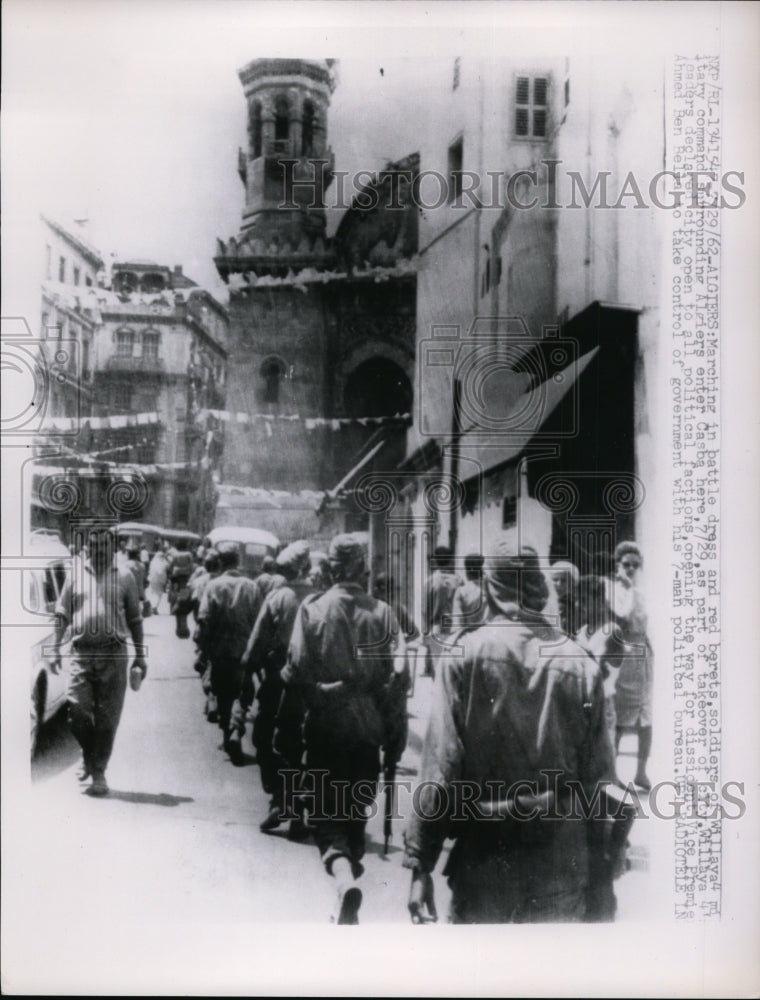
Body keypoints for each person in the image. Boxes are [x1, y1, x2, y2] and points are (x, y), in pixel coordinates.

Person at [403, 543, 615, 924]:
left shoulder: (464, 655)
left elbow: (441, 765)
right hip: (560, 863)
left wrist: (421, 864)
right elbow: (599, 779)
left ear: (489, 589)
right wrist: (602, 869)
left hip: (487, 856)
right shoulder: (580, 663)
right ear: (538, 586)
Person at [281, 534, 406, 924]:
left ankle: (342, 880)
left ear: (330, 568)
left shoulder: (313, 608)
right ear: (363, 568)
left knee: (325, 816)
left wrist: (290, 728)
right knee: (355, 816)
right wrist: (395, 740)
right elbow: (397, 684)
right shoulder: (384, 614)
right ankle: (345, 880)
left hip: (325, 727)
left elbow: (296, 673)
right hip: (368, 732)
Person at [51, 528, 147, 797]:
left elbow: (136, 620)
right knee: (76, 712)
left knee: (107, 719)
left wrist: (140, 656)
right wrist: (56, 647)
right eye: (93, 547)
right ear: (88, 547)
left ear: (112, 548)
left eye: (103, 547)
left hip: (114, 655)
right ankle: (89, 754)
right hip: (81, 653)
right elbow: (62, 613)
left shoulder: (125, 576)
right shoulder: (75, 574)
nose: (98, 552)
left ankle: (99, 772)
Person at [239, 540, 314, 829]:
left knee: (265, 739)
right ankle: (295, 806)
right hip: (311, 685)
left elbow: (257, 641)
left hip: (277, 680)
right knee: (303, 745)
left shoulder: (279, 597)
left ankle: (282, 801)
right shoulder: (319, 598)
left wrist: (248, 672)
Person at [195, 545, 259, 759]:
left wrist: (203, 649)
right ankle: (236, 732)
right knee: (242, 693)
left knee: (222, 693)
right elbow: (260, 621)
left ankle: (226, 735)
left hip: (219, 650)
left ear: (220, 562)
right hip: (244, 650)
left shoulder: (213, 586)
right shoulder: (251, 586)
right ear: (238, 561)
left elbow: (204, 620)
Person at [611, 541, 653, 790]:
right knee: (619, 716)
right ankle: (612, 772)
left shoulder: (643, 591)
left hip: (643, 658)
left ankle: (641, 772)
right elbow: (622, 617)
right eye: (626, 564)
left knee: (645, 718)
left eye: (636, 565)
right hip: (623, 654)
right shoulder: (613, 591)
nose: (631, 569)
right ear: (618, 565)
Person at [422, 545, 461, 678]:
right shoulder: (458, 581)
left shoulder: (429, 582)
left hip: (437, 627)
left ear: (436, 561)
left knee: (438, 670)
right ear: (451, 560)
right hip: (455, 628)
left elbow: (425, 610)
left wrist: (425, 632)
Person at [167, 538, 195, 638]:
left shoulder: (175, 554)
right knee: (183, 602)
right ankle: (183, 627)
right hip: (185, 581)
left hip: (175, 580)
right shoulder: (189, 554)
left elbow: (170, 566)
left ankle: (178, 627)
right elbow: (192, 567)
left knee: (175, 601)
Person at [450, 552, 487, 627]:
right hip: (491, 635)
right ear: (482, 570)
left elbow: (457, 623)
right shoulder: (492, 589)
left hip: (469, 635)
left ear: (467, 571)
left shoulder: (461, 592)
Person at [549, 560, 581, 637]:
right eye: (555, 580)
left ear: (572, 583)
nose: (559, 584)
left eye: (564, 580)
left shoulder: (576, 605)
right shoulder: (545, 603)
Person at [147, 544, 169, 613]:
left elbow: (150, 571)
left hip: (152, 580)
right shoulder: (163, 562)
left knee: (153, 593)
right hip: (160, 581)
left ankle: (153, 606)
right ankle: (155, 607)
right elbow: (167, 566)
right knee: (159, 594)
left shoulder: (153, 562)